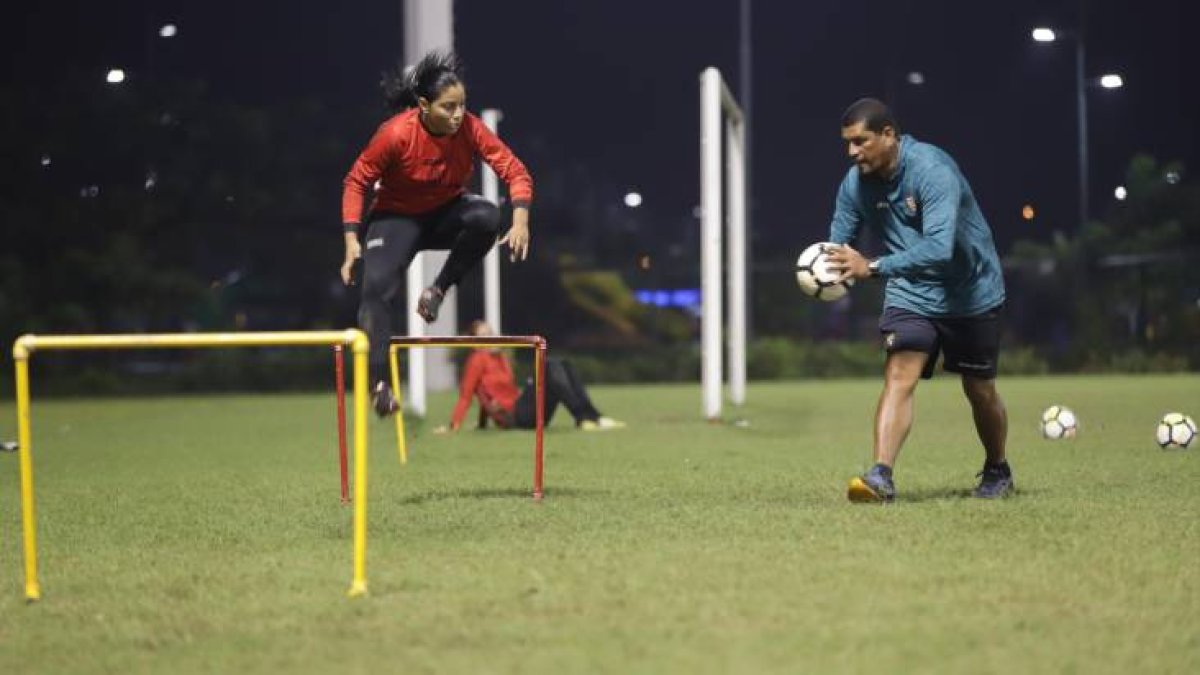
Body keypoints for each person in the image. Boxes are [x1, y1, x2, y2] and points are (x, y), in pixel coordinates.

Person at [823, 98, 1011, 502]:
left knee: (980, 391)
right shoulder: (854, 183)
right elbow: (838, 245)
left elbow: (939, 249)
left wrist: (869, 267)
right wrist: (823, 273)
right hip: (910, 292)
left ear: (889, 135)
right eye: (848, 143)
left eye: (861, 141)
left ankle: (998, 468)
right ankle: (881, 476)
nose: (852, 152)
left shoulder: (933, 172)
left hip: (970, 291)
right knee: (899, 376)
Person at [340, 50, 534, 418]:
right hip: (396, 219)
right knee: (376, 288)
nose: (458, 115)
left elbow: (515, 171)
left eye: (462, 105)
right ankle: (379, 386)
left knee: (488, 217)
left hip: (445, 214)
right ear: (424, 105)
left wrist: (520, 219)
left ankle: (438, 289)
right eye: (448, 107)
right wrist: (351, 241)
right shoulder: (396, 134)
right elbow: (355, 181)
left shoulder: (471, 128)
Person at [433, 320, 626, 433]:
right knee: (548, 364)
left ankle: (593, 417)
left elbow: (489, 395)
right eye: (484, 335)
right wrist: (453, 426)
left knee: (562, 363)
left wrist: (483, 424)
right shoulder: (477, 358)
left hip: (528, 412)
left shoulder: (500, 357)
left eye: (491, 332)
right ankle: (582, 417)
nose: (492, 337)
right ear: (475, 343)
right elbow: (467, 395)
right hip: (518, 417)